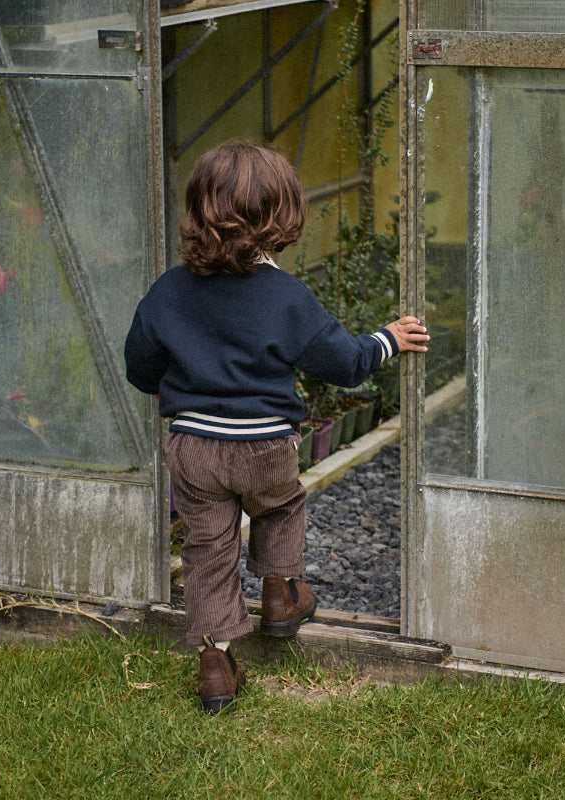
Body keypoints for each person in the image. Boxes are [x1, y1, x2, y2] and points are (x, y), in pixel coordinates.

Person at [125, 143, 428, 713]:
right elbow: (344, 364)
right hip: (265, 445)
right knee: (281, 505)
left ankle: (216, 666)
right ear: (281, 218)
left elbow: (140, 368)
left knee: (208, 548)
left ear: (198, 211)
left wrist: (183, 382)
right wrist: (387, 339)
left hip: (194, 448)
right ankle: (282, 596)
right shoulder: (287, 297)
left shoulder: (169, 290)